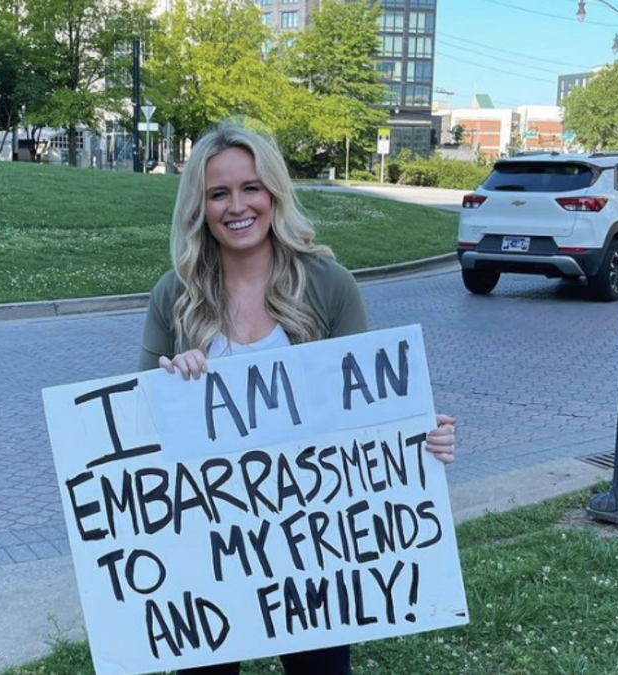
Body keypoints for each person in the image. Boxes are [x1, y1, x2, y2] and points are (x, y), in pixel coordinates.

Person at [138, 122, 456, 675]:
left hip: (313, 541)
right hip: (209, 542)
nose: (237, 206)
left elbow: (370, 413)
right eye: (219, 193)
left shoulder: (329, 285)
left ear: (274, 193)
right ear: (200, 206)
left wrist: (419, 436)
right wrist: (169, 384)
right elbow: (137, 426)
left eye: (251, 188)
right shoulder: (176, 294)